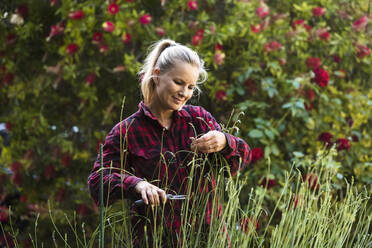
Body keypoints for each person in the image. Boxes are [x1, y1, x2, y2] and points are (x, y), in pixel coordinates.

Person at [88, 39, 252, 247]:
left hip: (208, 238)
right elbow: (97, 182)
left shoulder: (199, 119)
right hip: (155, 240)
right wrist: (138, 184)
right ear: (157, 75)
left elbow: (244, 157)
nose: (185, 92)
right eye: (178, 82)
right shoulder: (127, 131)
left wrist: (225, 141)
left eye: (191, 86)